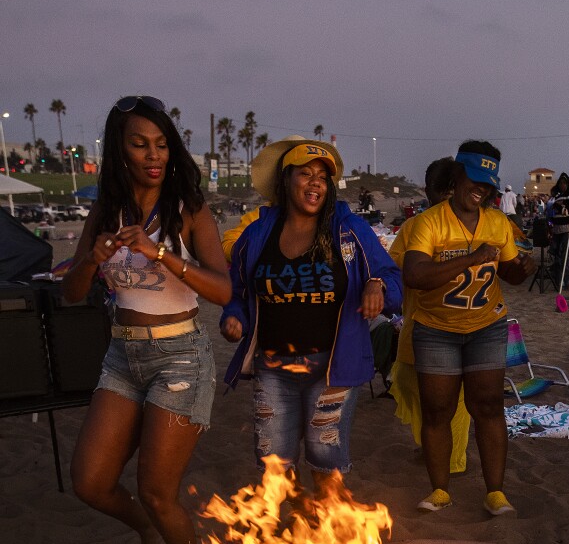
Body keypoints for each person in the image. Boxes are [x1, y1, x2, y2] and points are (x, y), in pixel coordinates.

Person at [62, 95, 232, 544]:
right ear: (121, 151)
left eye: (160, 144)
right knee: (91, 483)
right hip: (122, 357)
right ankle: (146, 531)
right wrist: (92, 260)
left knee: (158, 491)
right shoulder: (106, 210)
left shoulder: (188, 210)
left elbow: (223, 290)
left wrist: (160, 254)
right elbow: (72, 294)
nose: (154, 155)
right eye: (140, 144)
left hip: (180, 357)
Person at [219, 138, 401, 487]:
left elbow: (391, 277)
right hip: (273, 368)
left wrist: (376, 285)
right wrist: (234, 318)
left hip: (331, 367)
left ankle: (324, 532)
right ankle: (296, 536)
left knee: (325, 457)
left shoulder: (349, 231)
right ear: (286, 180)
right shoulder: (257, 234)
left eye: (322, 177)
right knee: (274, 463)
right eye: (306, 174)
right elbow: (238, 291)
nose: (316, 182)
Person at [401, 139, 535, 515]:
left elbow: (507, 272)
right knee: (438, 410)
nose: (481, 189)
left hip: (486, 326)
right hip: (436, 328)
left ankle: (496, 493)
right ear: (457, 176)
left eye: (488, 183)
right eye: (474, 179)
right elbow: (415, 275)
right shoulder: (429, 222)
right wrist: (471, 258)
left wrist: (522, 270)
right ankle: (439, 490)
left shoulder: (498, 222)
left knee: (489, 406)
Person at [388, 157, 470, 475]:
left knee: (443, 395)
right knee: (437, 392)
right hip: (440, 330)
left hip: (442, 331)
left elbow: (392, 269)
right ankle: (444, 451)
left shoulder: (417, 228)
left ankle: (449, 457)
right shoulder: (418, 228)